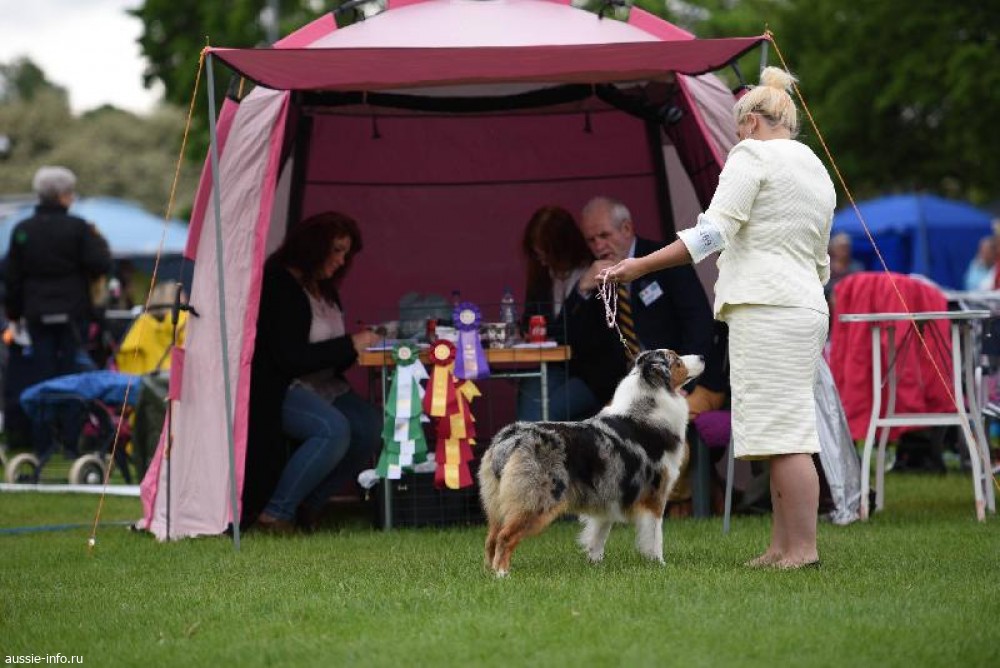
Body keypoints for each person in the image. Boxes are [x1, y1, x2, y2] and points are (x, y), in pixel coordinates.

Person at [603, 66, 836, 569]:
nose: (736, 138)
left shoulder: (751, 155)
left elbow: (712, 234)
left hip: (766, 307)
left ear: (750, 122)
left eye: (736, 129)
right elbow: (821, 259)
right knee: (783, 432)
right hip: (805, 306)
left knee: (787, 437)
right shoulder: (814, 167)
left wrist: (639, 266)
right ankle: (781, 546)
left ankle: (801, 550)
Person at [576, 195, 728, 516]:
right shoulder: (597, 274)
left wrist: (680, 381)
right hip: (638, 385)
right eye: (591, 240)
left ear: (626, 228)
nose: (598, 246)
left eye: (604, 235)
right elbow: (574, 338)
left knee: (665, 424)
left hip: (693, 378)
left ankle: (681, 506)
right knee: (608, 426)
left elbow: (699, 325)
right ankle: (626, 507)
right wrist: (583, 288)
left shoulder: (664, 258)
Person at [243, 211, 382, 533]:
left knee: (372, 426)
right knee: (332, 429)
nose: (342, 260)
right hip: (282, 386)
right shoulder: (278, 284)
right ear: (312, 246)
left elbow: (330, 354)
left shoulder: (325, 289)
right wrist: (350, 344)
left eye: (346, 253)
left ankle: (310, 505)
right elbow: (291, 358)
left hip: (325, 385)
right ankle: (275, 514)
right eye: (336, 250)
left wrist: (359, 347)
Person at [517, 205, 626, 421]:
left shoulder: (596, 272)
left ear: (563, 248)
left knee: (547, 412)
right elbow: (529, 319)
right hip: (554, 365)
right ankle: (529, 442)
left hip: (591, 373)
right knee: (529, 401)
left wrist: (580, 291)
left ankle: (538, 442)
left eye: (546, 252)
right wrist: (526, 330)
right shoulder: (542, 276)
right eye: (537, 253)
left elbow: (598, 337)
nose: (541, 259)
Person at [4, 166, 112, 382]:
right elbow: (101, 264)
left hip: (36, 311)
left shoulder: (23, 230)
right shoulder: (79, 228)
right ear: (63, 195)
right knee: (72, 371)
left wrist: (14, 313)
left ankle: (46, 402)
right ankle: (69, 404)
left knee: (42, 370)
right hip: (74, 310)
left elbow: (11, 276)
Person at [825, 232, 862, 299]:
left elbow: (859, 287)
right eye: (841, 247)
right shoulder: (825, 267)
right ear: (833, 249)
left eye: (846, 247)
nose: (844, 250)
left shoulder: (857, 267)